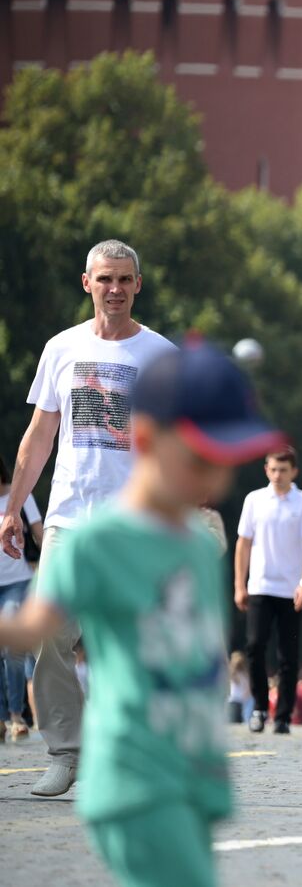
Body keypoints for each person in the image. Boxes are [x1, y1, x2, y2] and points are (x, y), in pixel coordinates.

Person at [0, 339, 284, 887]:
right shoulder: (94, 544)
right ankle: (66, 751)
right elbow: (33, 629)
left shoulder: (198, 546)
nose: (216, 479)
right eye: (202, 458)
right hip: (135, 781)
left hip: (190, 777)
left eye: (228, 462)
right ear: (149, 441)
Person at [0, 239, 178, 797]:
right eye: (105, 279)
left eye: (125, 280)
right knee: (51, 634)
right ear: (87, 283)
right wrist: (12, 510)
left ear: (138, 285)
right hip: (69, 517)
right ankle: (66, 752)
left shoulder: (161, 356)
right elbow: (39, 438)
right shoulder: (61, 349)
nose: (115, 289)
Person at [234, 446, 302, 735]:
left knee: (288, 654)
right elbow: (243, 544)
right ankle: (259, 707)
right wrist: (239, 584)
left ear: (294, 471)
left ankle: (283, 714)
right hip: (260, 584)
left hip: (290, 588)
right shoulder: (255, 500)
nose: (278, 475)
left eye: (283, 470)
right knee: (255, 646)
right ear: (266, 470)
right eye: (273, 469)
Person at [0, 452, 43, 741]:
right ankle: (2, 719)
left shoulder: (21, 497)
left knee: (12, 648)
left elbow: (40, 534)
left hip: (19, 583)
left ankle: (16, 715)